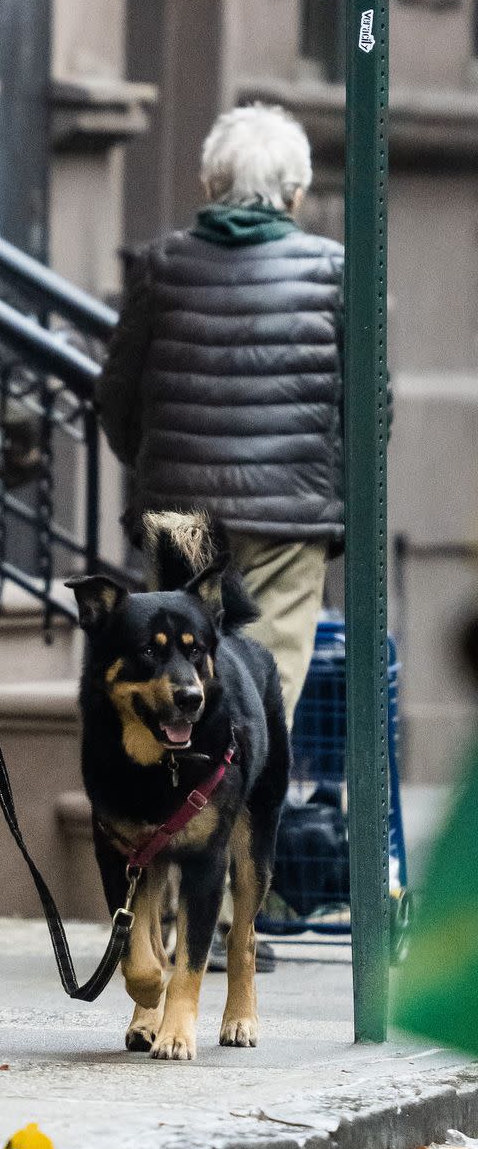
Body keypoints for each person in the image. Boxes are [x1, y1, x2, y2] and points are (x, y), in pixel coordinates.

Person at [97, 103, 343, 970]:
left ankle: (170, 907)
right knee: (251, 704)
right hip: (290, 519)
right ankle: (238, 907)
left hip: (185, 520)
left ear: (208, 186)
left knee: (178, 695)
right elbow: (368, 406)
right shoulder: (336, 271)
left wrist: (161, 479)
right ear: (301, 193)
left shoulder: (161, 265)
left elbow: (117, 402)